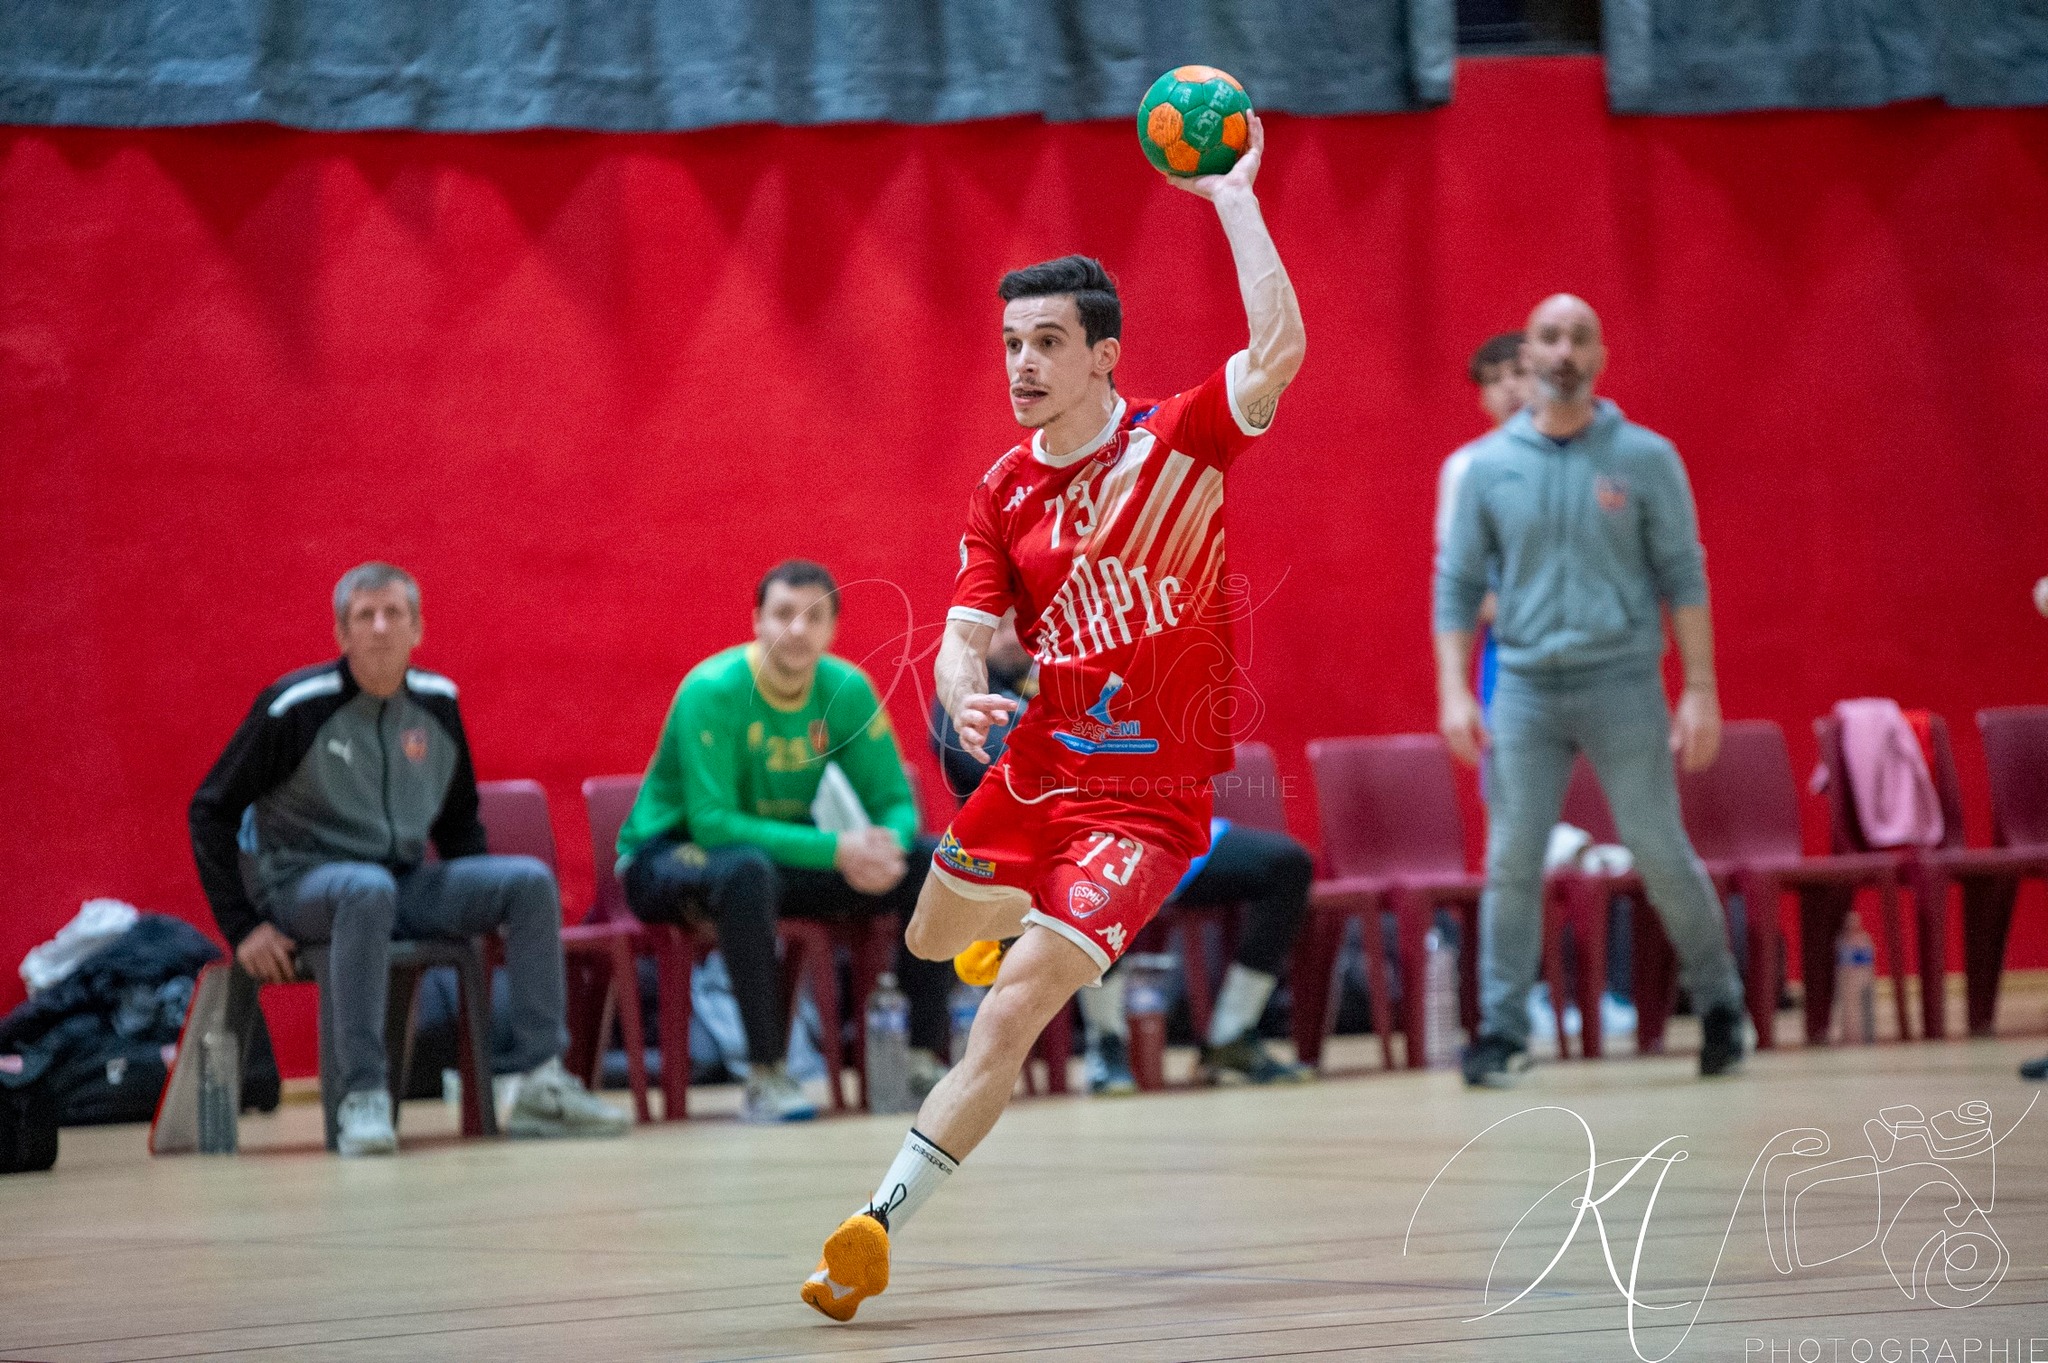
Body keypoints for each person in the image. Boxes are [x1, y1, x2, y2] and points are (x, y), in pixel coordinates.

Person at [801, 111, 1305, 1321]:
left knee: (1013, 1005)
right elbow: (967, 625)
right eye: (1010, 341)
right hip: (1035, 769)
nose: (1020, 362)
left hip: (1146, 802)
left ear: (1102, 356)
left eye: (1044, 341)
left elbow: (1277, 350)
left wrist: (1232, 197)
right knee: (929, 939)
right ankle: (991, 918)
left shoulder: (1176, 442)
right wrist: (961, 685)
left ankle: (870, 1230)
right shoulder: (1001, 485)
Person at [189, 562, 628, 1156]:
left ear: (417, 628)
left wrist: (472, 905)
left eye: (392, 613)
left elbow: (457, 824)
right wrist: (243, 927)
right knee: (365, 889)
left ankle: (538, 1083)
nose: (378, 627)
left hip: (400, 883)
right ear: (341, 635)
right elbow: (210, 810)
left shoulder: (438, 705)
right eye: (363, 616)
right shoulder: (295, 706)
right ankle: (363, 1098)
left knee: (526, 882)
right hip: (300, 885)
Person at [1434, 294, 1746, 1088]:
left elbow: (1685, 574)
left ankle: (1719, 1006)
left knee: (1660, 849)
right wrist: (1454, 691)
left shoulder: (1645, 458)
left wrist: (1700, 689)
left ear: (1600, 355)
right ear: (1527, 356)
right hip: (1528, 688)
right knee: (1510, 860)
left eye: (1579, 336)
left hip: (1622, 681)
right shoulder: (1487, 467)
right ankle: (1502, 1032)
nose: (1564, 350)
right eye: (1549, 336)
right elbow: (1457, 585)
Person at [615, 559, 956, 1123]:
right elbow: (713, 824)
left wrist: (884, 846)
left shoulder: (846, 689)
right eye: (783, 614)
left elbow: (895, 801)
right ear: (757, 621)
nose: (797, 630)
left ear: (832, 629)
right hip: (668, 856)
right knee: (744, 870)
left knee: (928, 862)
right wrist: (837, 851)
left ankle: (920, 1059)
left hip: (773, 860)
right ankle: (766, 1074)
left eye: (813, 617)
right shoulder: (713, 689)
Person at [930, 613, 1312, 1091]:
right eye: (1001, 628)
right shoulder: (967, 698)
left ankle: (1232, 1036)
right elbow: (1005, 772)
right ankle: (1106, 1047)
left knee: (1285, 864)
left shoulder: (1079, 671)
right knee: (1095, 870)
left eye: (1021, 624)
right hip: (1048, 843)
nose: (1015, 638)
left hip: (1148, 823)